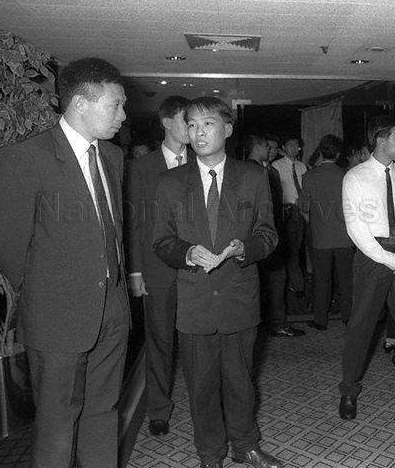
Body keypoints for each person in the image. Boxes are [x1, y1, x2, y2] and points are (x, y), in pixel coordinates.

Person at [0, 57, 129, 468]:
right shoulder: (26, 158)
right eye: (115, 105)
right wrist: (45, 294)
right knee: (56, 429)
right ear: (80, 103)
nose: (123, 115)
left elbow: (112, 230)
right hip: (57, 318)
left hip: (112, 311)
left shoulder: (112, 157)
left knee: (103, 415)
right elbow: (7, 244)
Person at [152, 97, 282, 468]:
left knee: (241, 382)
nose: (198, 132)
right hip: (194, 303)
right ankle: (210, 454)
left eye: (207, 123)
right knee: (201, 386)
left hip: (239, 298)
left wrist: (245, 248)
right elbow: (161, 241)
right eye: (191, 125)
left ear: (227, 128)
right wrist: (187, 252)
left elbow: (268, 235)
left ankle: (246, 445)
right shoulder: (170, 182)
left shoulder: (254, 177)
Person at [339, 116, 395, 420]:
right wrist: (388, 258)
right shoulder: (355, 176)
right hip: (372, 256)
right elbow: (355, 228)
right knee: (361, 325)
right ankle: (349, 389)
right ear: (381, 140)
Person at [126, 95, 190, 436]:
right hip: (157, 269)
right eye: (185, 120)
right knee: (160, 342)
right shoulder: (142, 168)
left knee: (197, 342)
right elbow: (135, 223)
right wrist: (136, 271)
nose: (192, 128)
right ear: (166, 122)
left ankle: (204, 402)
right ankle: (159, 409)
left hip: (197, 269)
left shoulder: (204, 163)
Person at [245, 133, 304, 338]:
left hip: (272, 228)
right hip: (264, 232)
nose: (272, 151)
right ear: (259, 147)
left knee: (273, 277)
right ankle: (276, 323)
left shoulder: (267, 169)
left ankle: (271, 321)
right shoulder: (253, 170)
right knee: (276, 276)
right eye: (269, 147)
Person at [299, 134, 354, 330]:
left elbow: (304, 207)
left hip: (321, 237)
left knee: (321, 279)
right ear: (338, 154)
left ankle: (320, 319)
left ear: (321, 152)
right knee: (346, 280)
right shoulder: (347, 175)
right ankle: (349, 317)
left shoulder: (309, 177)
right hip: (345, 237)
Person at [271, 134, 307, 297]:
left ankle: (296, 281)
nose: (294, 148)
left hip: (302, 210)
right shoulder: (277, 166)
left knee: (298, 248)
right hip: (288, 210)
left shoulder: (302, 166)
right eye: (290, 145)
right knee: (291, 249)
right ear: (283, 148)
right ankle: (297, 284)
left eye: (296, 145)